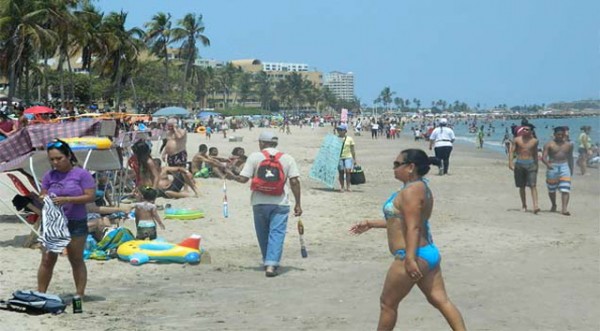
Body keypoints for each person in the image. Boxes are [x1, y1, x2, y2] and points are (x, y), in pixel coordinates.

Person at [349, 149, 466, 331]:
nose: (393, 168)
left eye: (397, 164)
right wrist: (371, 223)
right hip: (427, 253)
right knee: (441, 300)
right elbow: (401, 222)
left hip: (412, 255)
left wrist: (410, 259)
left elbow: (413, 227)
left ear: (411, 167)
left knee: (387, 304)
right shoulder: (419, 186)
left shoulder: (412, 191)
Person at [227, 131, 302, 277]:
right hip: (281, 202)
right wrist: (298, 203)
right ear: (276, 143)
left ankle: (268, 260)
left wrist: (232, 177)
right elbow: (294, 181)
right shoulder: (287, 158)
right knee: (277, 233)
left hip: (259, 201)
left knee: (263, 233)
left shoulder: (255, 157)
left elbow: (243, 179)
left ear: (262, 142)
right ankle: (271, 264)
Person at [38, 139, 96, 297]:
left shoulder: (81, 174)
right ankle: (41, 294)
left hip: (75, 221)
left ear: (68, 156)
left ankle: (79, 294)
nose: (55, 162)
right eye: (52, 159)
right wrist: (44, 197)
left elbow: (90, 196)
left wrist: (68, 199)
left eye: (59, 158)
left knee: (76, 259)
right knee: (48, 259)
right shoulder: (49, 175)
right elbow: (43, 192)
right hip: (53, 223)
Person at [542, 127, 574, 215]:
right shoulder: (549, 144)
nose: (560, 136)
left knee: (565, 188)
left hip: (564, 166)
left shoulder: (569, 145)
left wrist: (571, 169)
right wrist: (548, 165)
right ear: (554, 135)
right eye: (558, 134)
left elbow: (570, 157)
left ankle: (564, 209)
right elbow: (543, 157)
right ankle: (553, 204)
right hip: (553, 165)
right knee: (552, 189)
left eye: (562, 134)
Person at [509, 125, 540, 213]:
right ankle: (524, 205)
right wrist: (510, 163)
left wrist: (536, 165)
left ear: (531, 131)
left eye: (527, 130)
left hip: (531, 164)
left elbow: (535, 154)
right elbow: (512, 151)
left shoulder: (534, 141)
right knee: (521, 186)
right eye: (524, 129)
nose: (525, 131)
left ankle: (535, 206)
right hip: (520, 163)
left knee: (533, 185)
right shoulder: (517, 140)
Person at [336, 124, 357, 192]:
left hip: (348, 157)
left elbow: (352, 150)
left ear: (345, 131)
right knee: (341, 172)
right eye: (338, 130)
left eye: (341, 130)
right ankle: (342, 186)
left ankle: (348, 186)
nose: (339, 131)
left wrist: (354, 159)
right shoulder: (336, 138)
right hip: (339, 157)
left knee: (348, 171)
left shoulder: (350, 139)